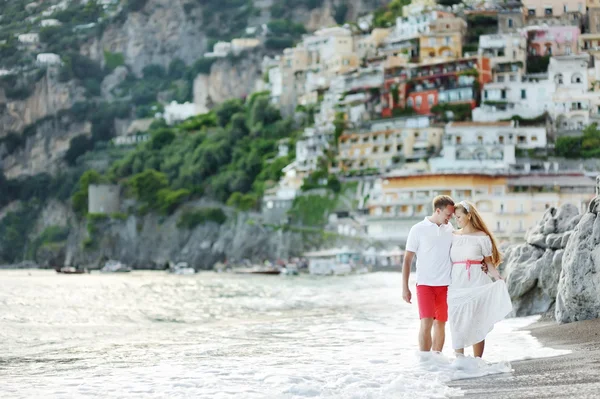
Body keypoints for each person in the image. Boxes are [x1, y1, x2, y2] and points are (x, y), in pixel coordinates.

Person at [449, 200, 512, 359]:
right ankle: (459, 361)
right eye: (455, 217)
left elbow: (489, 264)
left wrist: (498, 277)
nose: (456, 220)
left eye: (459, 217)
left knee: (476, 321)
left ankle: (478, 361)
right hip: (456, 283)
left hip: (477, 282)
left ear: (469, 216)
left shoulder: (482, 237)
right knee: (456, 320)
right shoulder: (452, 236)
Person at [402, 195, 455, 353]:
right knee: (426, 322)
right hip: (425, 284)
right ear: (438, 211)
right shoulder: (418, 229)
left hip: (445, 284)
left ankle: (436, 359)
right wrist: (405, 288)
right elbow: (407, 260)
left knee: (440, 323)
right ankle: (425, 362)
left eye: (451, 215)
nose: (450, 218)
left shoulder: (450, 229)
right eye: (448, 214)